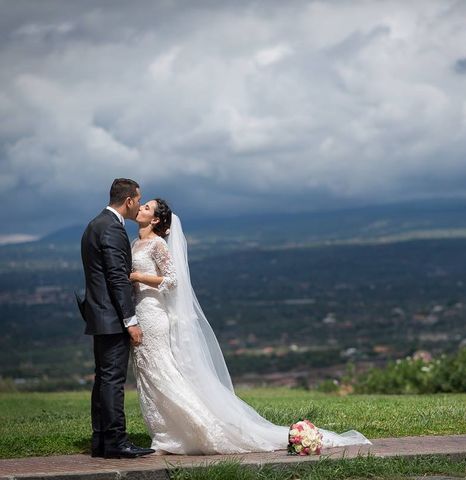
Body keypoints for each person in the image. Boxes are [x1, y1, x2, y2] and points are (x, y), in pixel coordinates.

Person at [130, 198, 370, 454]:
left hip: (154, 315)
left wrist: (137, 277)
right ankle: (167, 434)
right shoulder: (136, 243)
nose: (141, 208)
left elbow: (173, 280)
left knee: (161, 373)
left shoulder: (157, 244)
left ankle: (194, 429)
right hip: (139, 312)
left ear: (155, 219)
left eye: (146, 207)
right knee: (148, 376)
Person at [77, 178, 155, 459]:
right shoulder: (111, 228)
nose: (138, 204)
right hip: (111, 317)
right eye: (139, 199)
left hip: (99, 316)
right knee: (112, 381)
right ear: (130, 201)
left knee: (103, 380)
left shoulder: (94, 224)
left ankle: (100, 440)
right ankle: (116, 441)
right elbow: (117, 279)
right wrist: (131, 321)